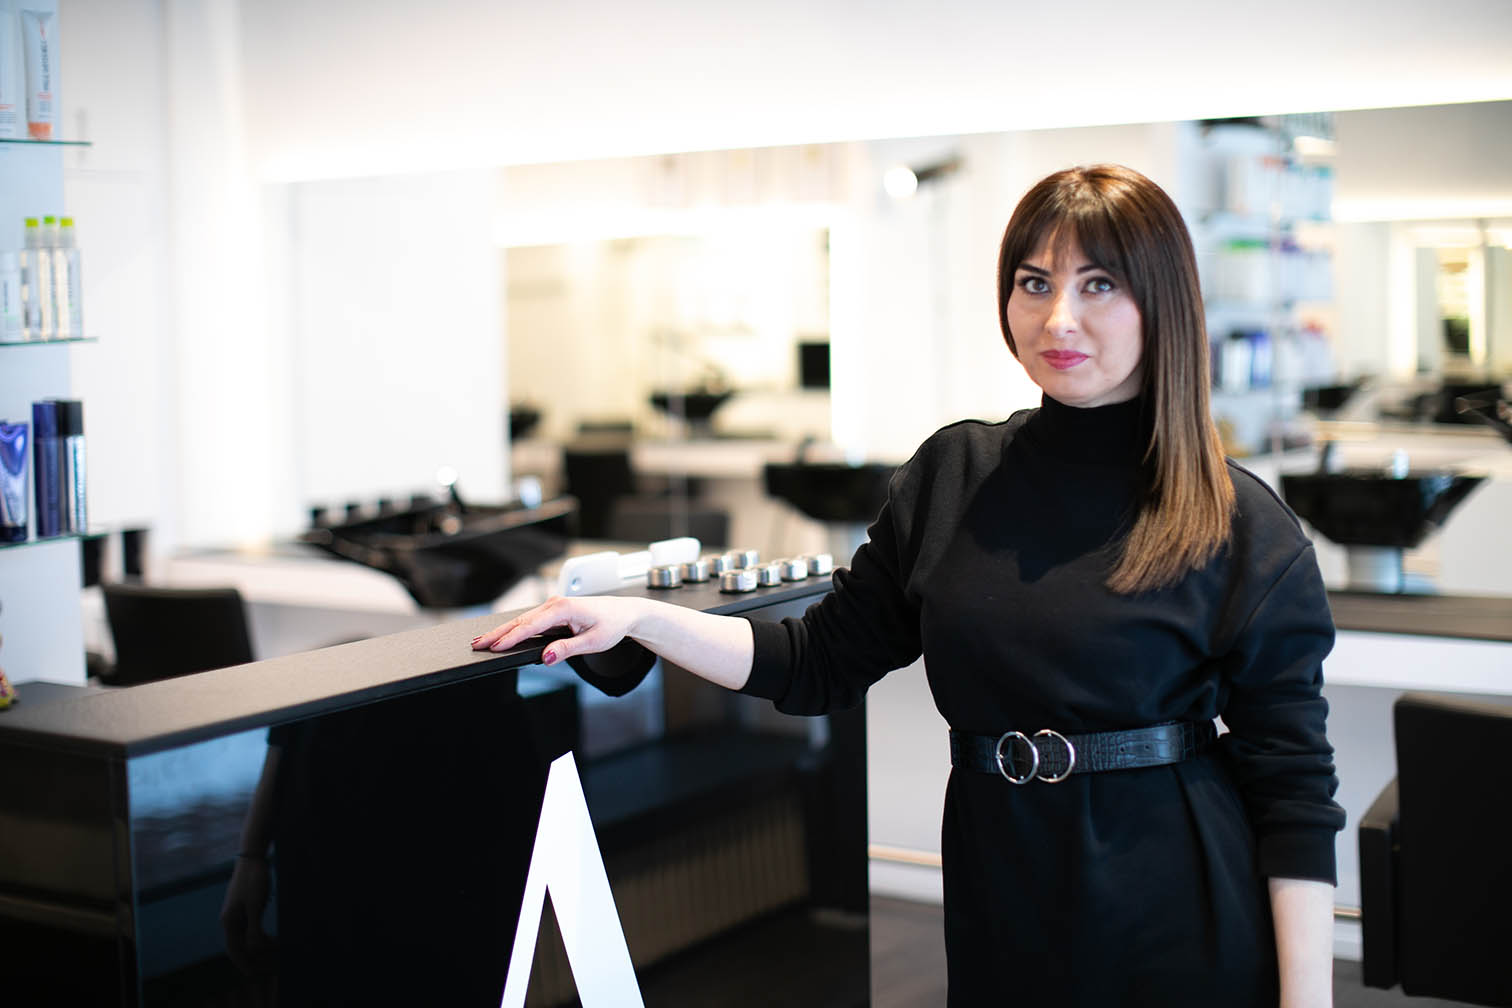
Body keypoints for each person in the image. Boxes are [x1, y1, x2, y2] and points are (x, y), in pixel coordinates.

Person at [474, 163, 1344, 1006]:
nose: (1059, 317)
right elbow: (817, 661)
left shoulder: (1237, 520)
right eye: (1034, 283)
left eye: (1099, 285)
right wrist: (642, 619)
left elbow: (1294, 790)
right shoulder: (954, 476)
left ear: (1164, 302)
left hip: (1176, 907)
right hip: (1001, 888)